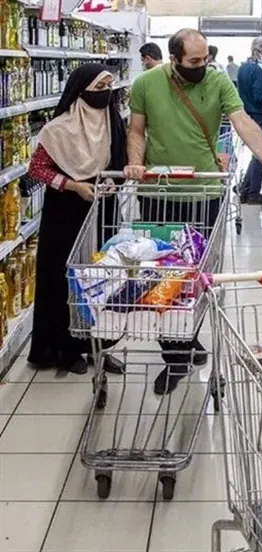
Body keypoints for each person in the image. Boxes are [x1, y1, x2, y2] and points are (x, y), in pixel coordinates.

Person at [124, 28, 262, 394]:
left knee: (197, 277)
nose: (202, 65)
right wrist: (134, 163)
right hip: (159, 194)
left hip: (205, 192)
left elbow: (243, 123)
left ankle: (186, 339)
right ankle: (176, 355)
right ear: (174, 59)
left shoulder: (218, 80)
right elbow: (136, 131)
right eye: (194, 61)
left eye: (205, 58)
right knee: (162, 278)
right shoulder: (146, 83)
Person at [26, 64, 126, 375]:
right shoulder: (58, 129)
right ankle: (65, 348)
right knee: (66, 276)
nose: (106, 94)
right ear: (81, 92)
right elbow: (37, 169)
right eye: (100, 88)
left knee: (103, 276)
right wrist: (72, 185)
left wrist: (113, 180)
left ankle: (98, 344)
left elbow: (120, 162)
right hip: (67, 210)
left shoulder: (112, 122)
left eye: (109, 87)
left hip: (103, 207)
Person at [236, 37, 262, 205]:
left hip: (247, 113)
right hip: (258, 114)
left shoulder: (242, 68)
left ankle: (245, 190)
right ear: (260, 51)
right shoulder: (256, 70)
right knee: (261, 155)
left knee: (255, 153)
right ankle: (253, 194)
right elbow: (260, 96)